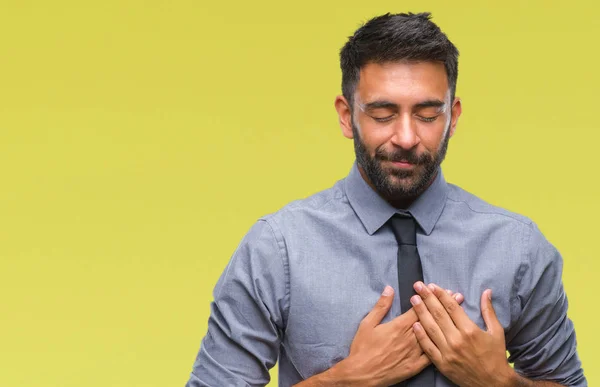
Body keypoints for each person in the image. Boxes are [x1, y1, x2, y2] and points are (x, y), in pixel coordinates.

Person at [185, 12, 586, 387]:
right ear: (346, 116)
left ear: (454, 117)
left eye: (428, 114)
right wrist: (344, 380)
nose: (407, 138)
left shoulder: (518, 248)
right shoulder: (278, 248)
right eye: (383, 114)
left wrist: (500, 381)